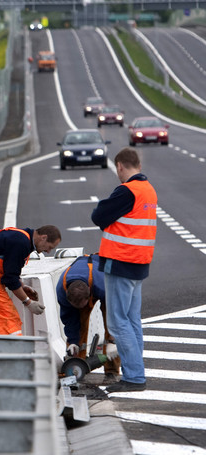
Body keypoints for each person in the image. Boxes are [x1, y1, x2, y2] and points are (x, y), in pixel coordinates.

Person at [91, 148, 157, 393]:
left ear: (119, 166)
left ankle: (134, 377)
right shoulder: (149, 190)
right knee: (132, 321)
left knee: (118, 323)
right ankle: (136, 372)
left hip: (120, 262)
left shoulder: (126, 191)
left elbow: (98, 215)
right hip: (139, 264)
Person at [0, 225, 62, 335]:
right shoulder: (21, 243)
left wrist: (21, 286)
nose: (48, 251)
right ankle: (16, 348)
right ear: (43, 237)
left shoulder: (22, 238)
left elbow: (10, 270)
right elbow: (10, 279)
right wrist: (28, 302)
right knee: (8, 318)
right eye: (50, 247)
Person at [56, 253, 120, 383]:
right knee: (78, 325)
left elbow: (115, 313)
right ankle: (76, 365)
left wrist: (113, 341)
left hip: (103, 277)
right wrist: (73, 341)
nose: (80, 308)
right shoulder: (62, 291)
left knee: (111, 326)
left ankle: (111, 372)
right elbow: (69, 319)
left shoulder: (103, 286)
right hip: (83, 281)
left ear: (89, 294)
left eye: (83, 305)